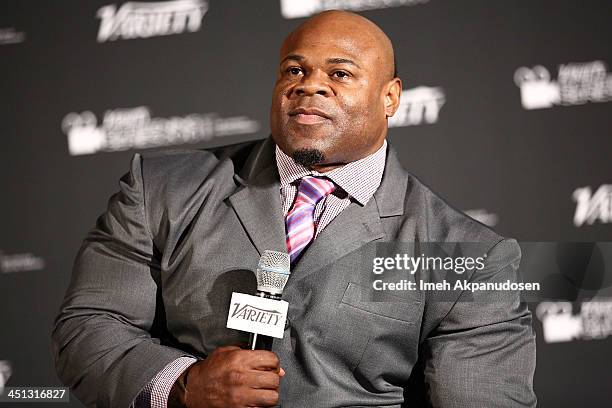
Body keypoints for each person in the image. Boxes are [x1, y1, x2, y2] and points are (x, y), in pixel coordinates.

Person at [52, 10, 537, 408]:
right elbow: (90, 324)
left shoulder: (466, 255)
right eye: (294, 69)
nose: (310, 85)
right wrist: (185, 383)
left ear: (390, 98)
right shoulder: (162, 189)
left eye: (340, 73)